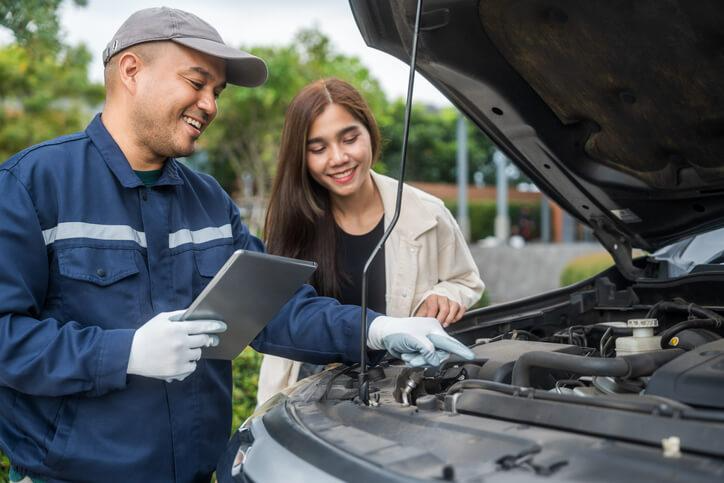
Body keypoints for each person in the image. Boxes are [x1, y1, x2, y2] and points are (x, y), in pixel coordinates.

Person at [0, 8, 474, 483]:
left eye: (216, 92)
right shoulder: (32, 187)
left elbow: (275, 311)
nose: (209, 104)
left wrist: (377, 329)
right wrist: (123, 353)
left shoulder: (207, 200)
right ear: (131, 71)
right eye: (196, 82)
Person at [257, 78, 484, 405]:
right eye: (318, 148)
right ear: (301, 157)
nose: (338, 158)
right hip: (307, 399)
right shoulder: (292, 222)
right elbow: (278, 316)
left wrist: (444, 294)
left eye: (349, 139)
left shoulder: (426, 213)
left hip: (398, 394)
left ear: (370, 133)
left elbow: (466, 279)